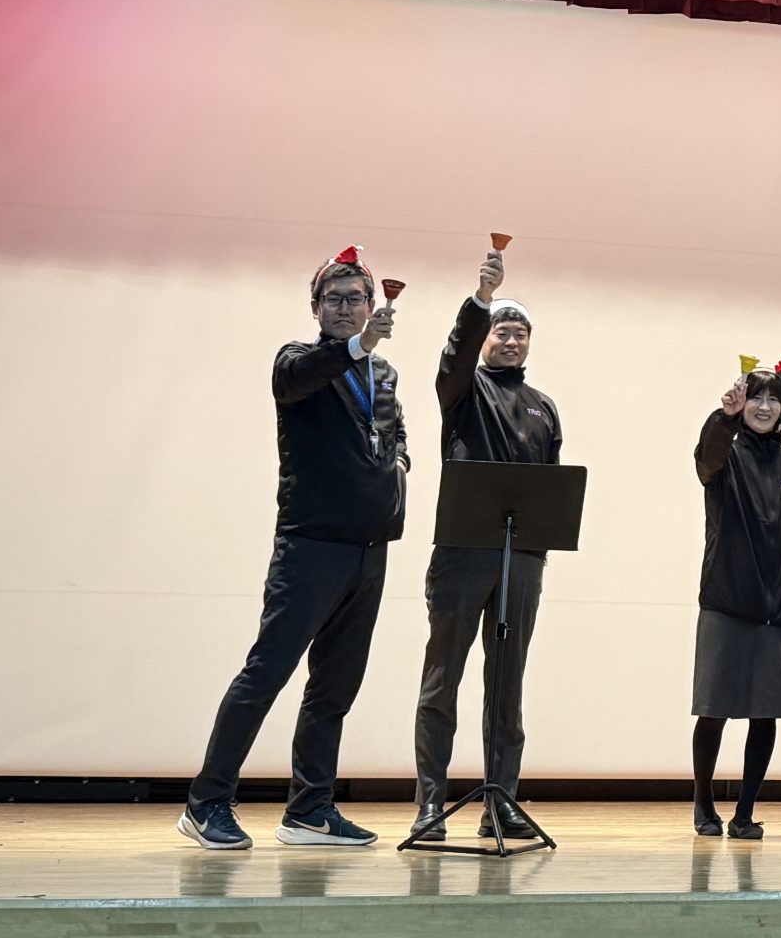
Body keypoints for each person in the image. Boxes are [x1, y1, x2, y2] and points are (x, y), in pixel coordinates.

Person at [178, 246, 408, 851]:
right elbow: (301, 379)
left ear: (370, 305)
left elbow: (393, 430)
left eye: (354, 298)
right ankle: (206, 803)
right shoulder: (297, 361)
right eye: (333, 299)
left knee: (335, 687)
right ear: (315, 307)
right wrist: (356, 349)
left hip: (369, 549)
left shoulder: (383, 374)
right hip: (310, 547)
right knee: (266, 673)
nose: (344, 307)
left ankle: (310, 811)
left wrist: (399, 464)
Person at [409, 244, 563, 843]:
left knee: (507, 683)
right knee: (442, 679)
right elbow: (453, 354)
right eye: (502, 331)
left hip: (520, 561)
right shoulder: (464, 390)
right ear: (484, 339)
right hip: (461, 555)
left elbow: (551, 489)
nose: (512, 340)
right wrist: (481, 301)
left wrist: (537, 552)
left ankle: (501, 802)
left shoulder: (544, 408)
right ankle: (430, 805)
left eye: (521, 333)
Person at [692, 358, 781, 839]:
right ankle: (703, 802)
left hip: (778, 606)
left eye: (773, 399)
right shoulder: (725, 455)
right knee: (714, 709)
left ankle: (745, 812)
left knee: (766, 712)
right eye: (756, 397)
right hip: (726, 600)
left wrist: (775, 549)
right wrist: (723, 417)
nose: (764, 407)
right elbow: (706, 457)